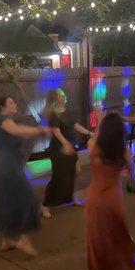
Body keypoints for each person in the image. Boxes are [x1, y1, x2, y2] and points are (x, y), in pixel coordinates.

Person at [85, 109, 135, 270]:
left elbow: (95, 140)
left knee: (97, 238)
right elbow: (131, 171)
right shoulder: (122, 150)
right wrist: (129, 178)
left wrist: (100, 123)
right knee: (117, 236)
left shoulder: (93, 145)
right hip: (112, 199)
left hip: (94, 199)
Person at [0, 96, 48, 256]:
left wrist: (36, 130)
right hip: (6, 168)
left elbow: (21, 132)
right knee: (28, 199)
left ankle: (7, 239)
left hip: (2, 168)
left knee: (6, 202)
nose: (14, 104)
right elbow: (16, 130)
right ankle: (23, 239)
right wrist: (39, 130)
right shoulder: (3, 119)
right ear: (2, 107)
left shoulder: (6, 122)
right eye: (11, 102)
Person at [42, 89, 93, 219]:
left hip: (70, 147)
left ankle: (72, 198)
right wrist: (65, 144)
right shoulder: (53, 114)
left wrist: (89, 133)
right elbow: (56, 132)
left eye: (64, 94)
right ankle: (45, 205)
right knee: (59, 177)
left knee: (76, 171)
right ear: (55, 98)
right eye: (61, 95)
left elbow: (75, 125)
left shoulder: (68, 112)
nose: (64, 96)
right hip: (59, 149)